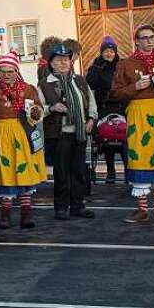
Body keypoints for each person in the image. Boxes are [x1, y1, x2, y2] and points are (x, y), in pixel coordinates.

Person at [110, 24, 154, 223]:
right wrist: (135, 87)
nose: (149, 41)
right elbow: (115, 92)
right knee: (139, 156)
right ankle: (142, 209)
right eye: (144, 38)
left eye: (151, 37)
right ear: (137, 41)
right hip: (137, 112)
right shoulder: (126, 63)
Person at [0, 50, 46, 229]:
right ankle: (6, 214)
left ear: (17, 71)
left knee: (24, 171)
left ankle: (26, 213)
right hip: (2, 134)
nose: (7, 75)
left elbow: (39, 109)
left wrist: (36, 112)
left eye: (11, 71)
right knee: (6, 171)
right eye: (3, 71)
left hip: (24, 133)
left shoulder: (27, 89)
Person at [39, 44, 97, 220]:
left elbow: (91, 102)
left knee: (79, 171)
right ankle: (61, 208)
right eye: (59, 60)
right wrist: (52, 108)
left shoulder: (79, 80)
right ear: (52, 63)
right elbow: (36, 110)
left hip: (79, 132)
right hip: (59, 134)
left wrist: (91, 120)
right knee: (62, 172)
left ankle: (78, 206)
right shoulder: (44, 84)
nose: (63, 63)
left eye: (66, 59)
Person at [85, 37, 126, 183]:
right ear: (101, 52)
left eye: (111, 51)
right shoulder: (96, 65)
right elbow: (90, 83)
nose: (109, 54)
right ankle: (110, 170)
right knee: (107, 138)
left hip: (121, 107)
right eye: (106, 51)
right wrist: (98, 68)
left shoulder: (122, 65)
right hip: (103, 107)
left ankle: (128, 170)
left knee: (122, 138)